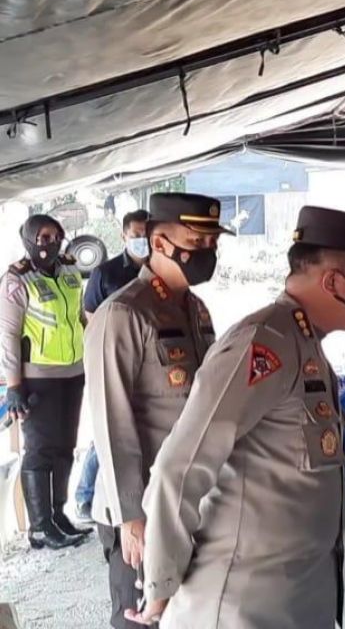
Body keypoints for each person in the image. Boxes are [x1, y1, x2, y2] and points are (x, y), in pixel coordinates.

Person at [129, 206, 345, 628]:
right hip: (241, 605)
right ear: (333, 282)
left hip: (292, 600)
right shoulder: (263, 343)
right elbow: (179, 469)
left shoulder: (304, 343)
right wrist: (161, 584)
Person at [84, 194, 225, 629]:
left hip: (180, 498)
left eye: (211, 242)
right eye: (195, 240)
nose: (206, 251)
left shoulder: (194, 310)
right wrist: (131, 515)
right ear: (159, 241)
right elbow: (112, 421)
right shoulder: (123, 313)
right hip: (139, 508)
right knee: (138, 620)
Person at [0, 215, 91, 549]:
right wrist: (14, 386)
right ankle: (39, 526)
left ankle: (57, 515)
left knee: (66, 447)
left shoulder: (69, 269)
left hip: (73, 373)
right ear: (28, 239)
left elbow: (80, 317)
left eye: (53, 236)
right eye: (41, 237)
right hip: (38, 377)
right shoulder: (16, 278)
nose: (48, 243)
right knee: (40, 449)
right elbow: (8, 335)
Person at [76, 208, 151, 524]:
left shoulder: (158, 270)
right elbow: (91, 319)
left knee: (139, 427)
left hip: (148, 361)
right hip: (110, 359)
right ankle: (85, 497)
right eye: (136, 235)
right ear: (124, 236)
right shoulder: (105, 274)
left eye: (146, 235)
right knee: (108, 429)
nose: (141, 241)